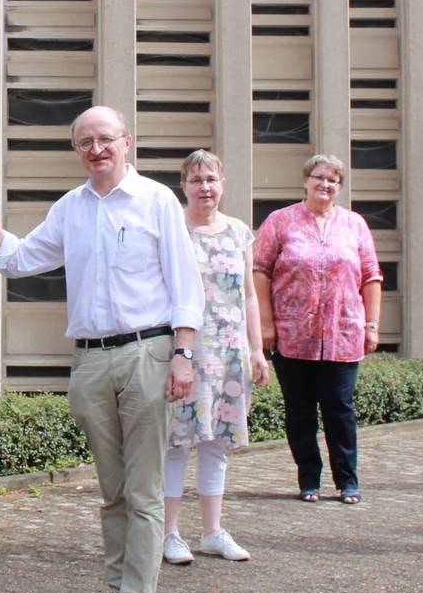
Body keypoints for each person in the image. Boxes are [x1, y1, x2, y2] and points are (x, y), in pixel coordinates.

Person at [0, 106, 200, 593]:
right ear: (76, 150)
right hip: (90, 362)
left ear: (127, 142)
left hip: (148, 353)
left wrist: (183, 354)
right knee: (112, 491)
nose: (96, 149)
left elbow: (186, 285)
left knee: (143, 491)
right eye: (85, 142)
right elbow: (16, 259)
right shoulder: (71, 208)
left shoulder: (157, 201)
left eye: (105, 139)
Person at [252, 154, 383, 505]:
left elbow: (371, 276)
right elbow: (259, 271)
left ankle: (347, 481)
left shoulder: (354, 224)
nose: (325, 185)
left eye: (333, 180)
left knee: (340, 407)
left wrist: (372, 324)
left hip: (343, 333)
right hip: (293, 334)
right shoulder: (280, 221)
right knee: (300, 410)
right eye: (319, 177)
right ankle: (308, 479)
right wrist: (265, 322)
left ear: (339, 187)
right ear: (306, 180)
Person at [162, 151, 269, 565]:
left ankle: (212, 531)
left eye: (210, 179)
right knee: (176, 443)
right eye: (195, 180)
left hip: (228, 353)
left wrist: (256, 349)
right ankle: (170, 534)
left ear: (223, 183)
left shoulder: (240, 232)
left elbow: (248, 294)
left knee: (215, 444)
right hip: (186, 351)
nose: (204, 187)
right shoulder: (174, 230)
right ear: (183, 186)